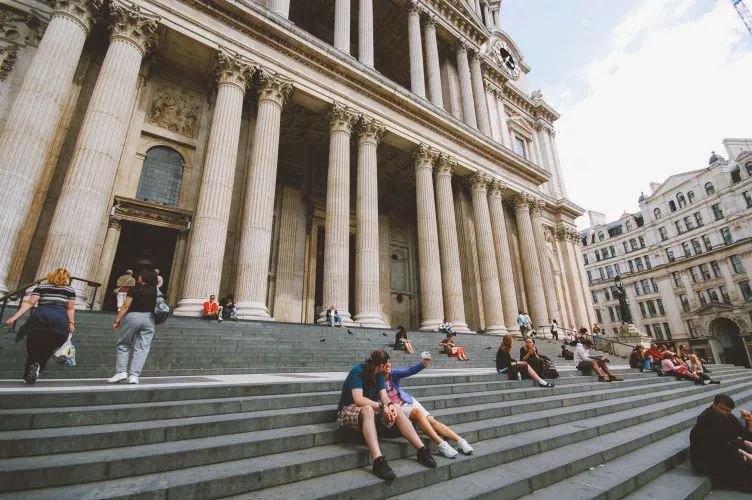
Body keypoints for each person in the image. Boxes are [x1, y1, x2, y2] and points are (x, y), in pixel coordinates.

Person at [336, 350, 436, 481]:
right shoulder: (357, 371)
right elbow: (358, 400)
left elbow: (383, 396)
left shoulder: (379, 374)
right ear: (380, 365)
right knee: (367, 409)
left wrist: (389, 406)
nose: (387, 367)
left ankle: (421, 450)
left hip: (371, 410)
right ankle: (378, 461)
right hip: (347, 411)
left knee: (396, 407)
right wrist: (382, 407)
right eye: (385, 365)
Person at [384, 353, 474, 458]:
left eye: (389, 362)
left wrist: (423, 363)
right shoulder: (376, 380)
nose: (388, 365)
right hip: (397, 407)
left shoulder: (393, 373)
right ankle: (442, 444)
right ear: (379, 366)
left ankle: (460, 441)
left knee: (432, 420)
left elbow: (409, 370)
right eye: (385, 363)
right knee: (417, 412)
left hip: (407, 400)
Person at [5, 268, 76, 384]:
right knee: (48, 347)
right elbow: (70, 308)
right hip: (59, 321)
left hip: (39, 318)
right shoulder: (70, 290)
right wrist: (71, 323)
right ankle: (38, 366)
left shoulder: (42, 287)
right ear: (66, 278)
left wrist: (14, 317)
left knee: (33, 346)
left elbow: (30, 303)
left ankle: (30, 370)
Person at [690, 394, 752, 492]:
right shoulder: (705, 419)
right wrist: (744, 451)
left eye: (730, 411)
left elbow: (744, 435)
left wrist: (749, 422)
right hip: (707, 460)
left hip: (723, 451)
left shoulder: (727, 416)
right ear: (715, 405)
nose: (728, 413)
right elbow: (717, 444)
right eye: (725, 410)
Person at [108, 269, 159, 385]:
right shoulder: (156, 290)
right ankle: (134, 375)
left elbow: (126, 305)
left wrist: (117, 321)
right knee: (143, 347)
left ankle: (121, 372)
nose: (138, 277)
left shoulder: (135, 289)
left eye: (140, 275)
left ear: (144, 277)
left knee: (124, 344)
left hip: (133, 316)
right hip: (149, 319)